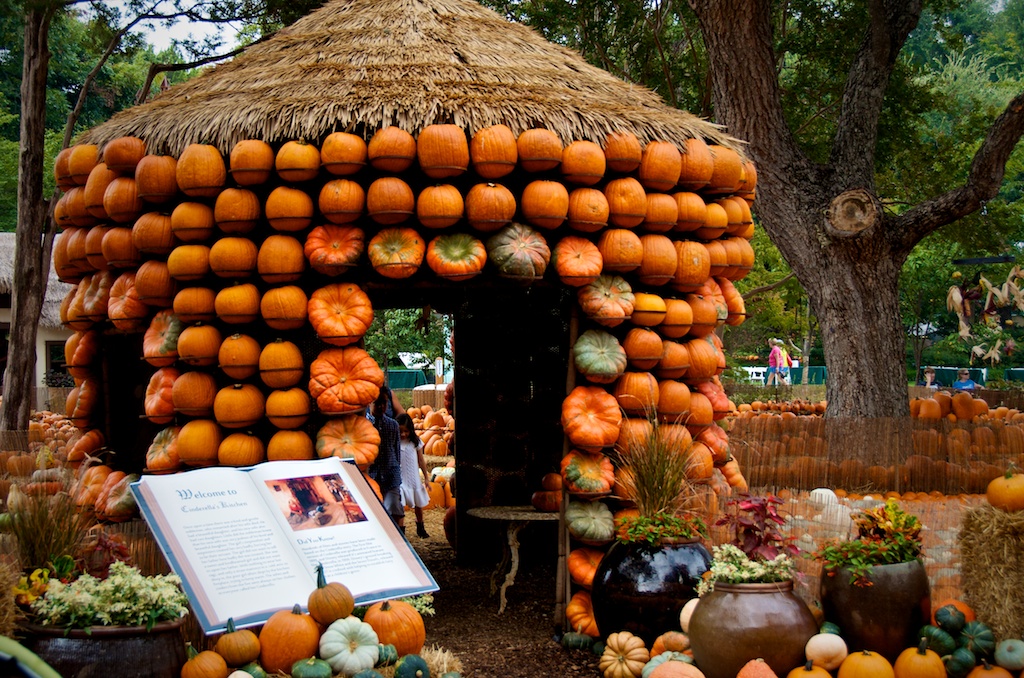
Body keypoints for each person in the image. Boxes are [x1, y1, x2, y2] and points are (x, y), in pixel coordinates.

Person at [367, 389, 404, 529]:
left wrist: (396, 468)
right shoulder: (364, 425)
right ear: (370, 403)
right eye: (377, 403)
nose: (381, 406)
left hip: (390, 475)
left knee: (393, 507)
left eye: (384, 403)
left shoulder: (393, 425)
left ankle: (399, 540)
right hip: (372, 476)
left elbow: (396, 450)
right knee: (376, 512)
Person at [396, 412, 431, 538]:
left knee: (418, 505)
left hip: (414, 479)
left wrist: (426, 478)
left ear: (411, 429)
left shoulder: (415, 442)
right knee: (400, 505)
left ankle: (420, 527)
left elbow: (421, 460)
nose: (403, 434)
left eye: (406, 431)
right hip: (401, 479)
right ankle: (400, 531)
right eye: (400, 431)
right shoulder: (395, 443)